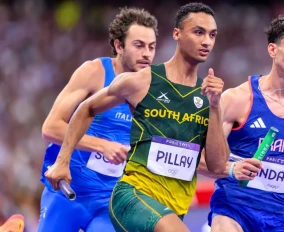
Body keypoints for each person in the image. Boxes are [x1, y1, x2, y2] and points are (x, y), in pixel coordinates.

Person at [48, 2, 229, 232]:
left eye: (212, 35)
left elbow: (215, 165)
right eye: (198, 32)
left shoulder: (209, 96)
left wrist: (215, 106)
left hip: (173, 208)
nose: (206, 41)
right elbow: (87, 109)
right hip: (131, 198)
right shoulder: (142, 81)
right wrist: (62, 161)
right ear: (177, 34)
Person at [197, 14, 284, 232]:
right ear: (272, 50)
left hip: (282, 217)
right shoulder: (237, 100)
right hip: (234, 208)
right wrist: (232, 169)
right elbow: (198, 158)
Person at [39, 7, 158, 232]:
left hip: (110, 201)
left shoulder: (155, 90)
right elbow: (51, 128)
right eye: (139, 45)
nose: (147, 54)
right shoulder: (95, 72)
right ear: (118, 46)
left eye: (151, 47)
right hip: (68, 193)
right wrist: (102, 145)